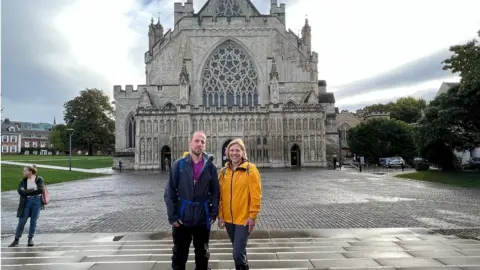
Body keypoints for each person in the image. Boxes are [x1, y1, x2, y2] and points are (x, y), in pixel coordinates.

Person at [164, 131, 219, 270]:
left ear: (205, 145)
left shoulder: (210, 167)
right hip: (183, 218)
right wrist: (172, 216)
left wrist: (213, 214)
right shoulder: (179, 165)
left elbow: (215, 192)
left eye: (202, 142)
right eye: (197, 141)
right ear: (190, 143)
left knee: (202, 256)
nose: (199, 144)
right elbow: (169, 191)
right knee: (179, 256)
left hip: (202, 218)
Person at [217, 139, 262, 270]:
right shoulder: (224, 172)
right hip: (229, 220)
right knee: (240, 251)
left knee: (237, 253)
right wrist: (220, 215)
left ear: (243, 152)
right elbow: (220, 196)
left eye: (237, 150)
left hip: (243, 219)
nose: (234, 153)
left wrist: (252, 216)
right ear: (227, 152)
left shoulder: (251, 169)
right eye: (232, 150)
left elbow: (256, 195)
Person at [9, 165, 45, 247]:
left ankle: (30, 239)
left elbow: (40, 190)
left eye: (25, 171)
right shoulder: (23, 181)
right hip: (26, 202)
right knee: (22, 221)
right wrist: (33, 190)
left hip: (37, 201)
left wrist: (27, 191)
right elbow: (21, 192)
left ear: (30, 171)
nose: (23, 172)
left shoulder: (39, 179)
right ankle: (16, 239)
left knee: (33, 221)